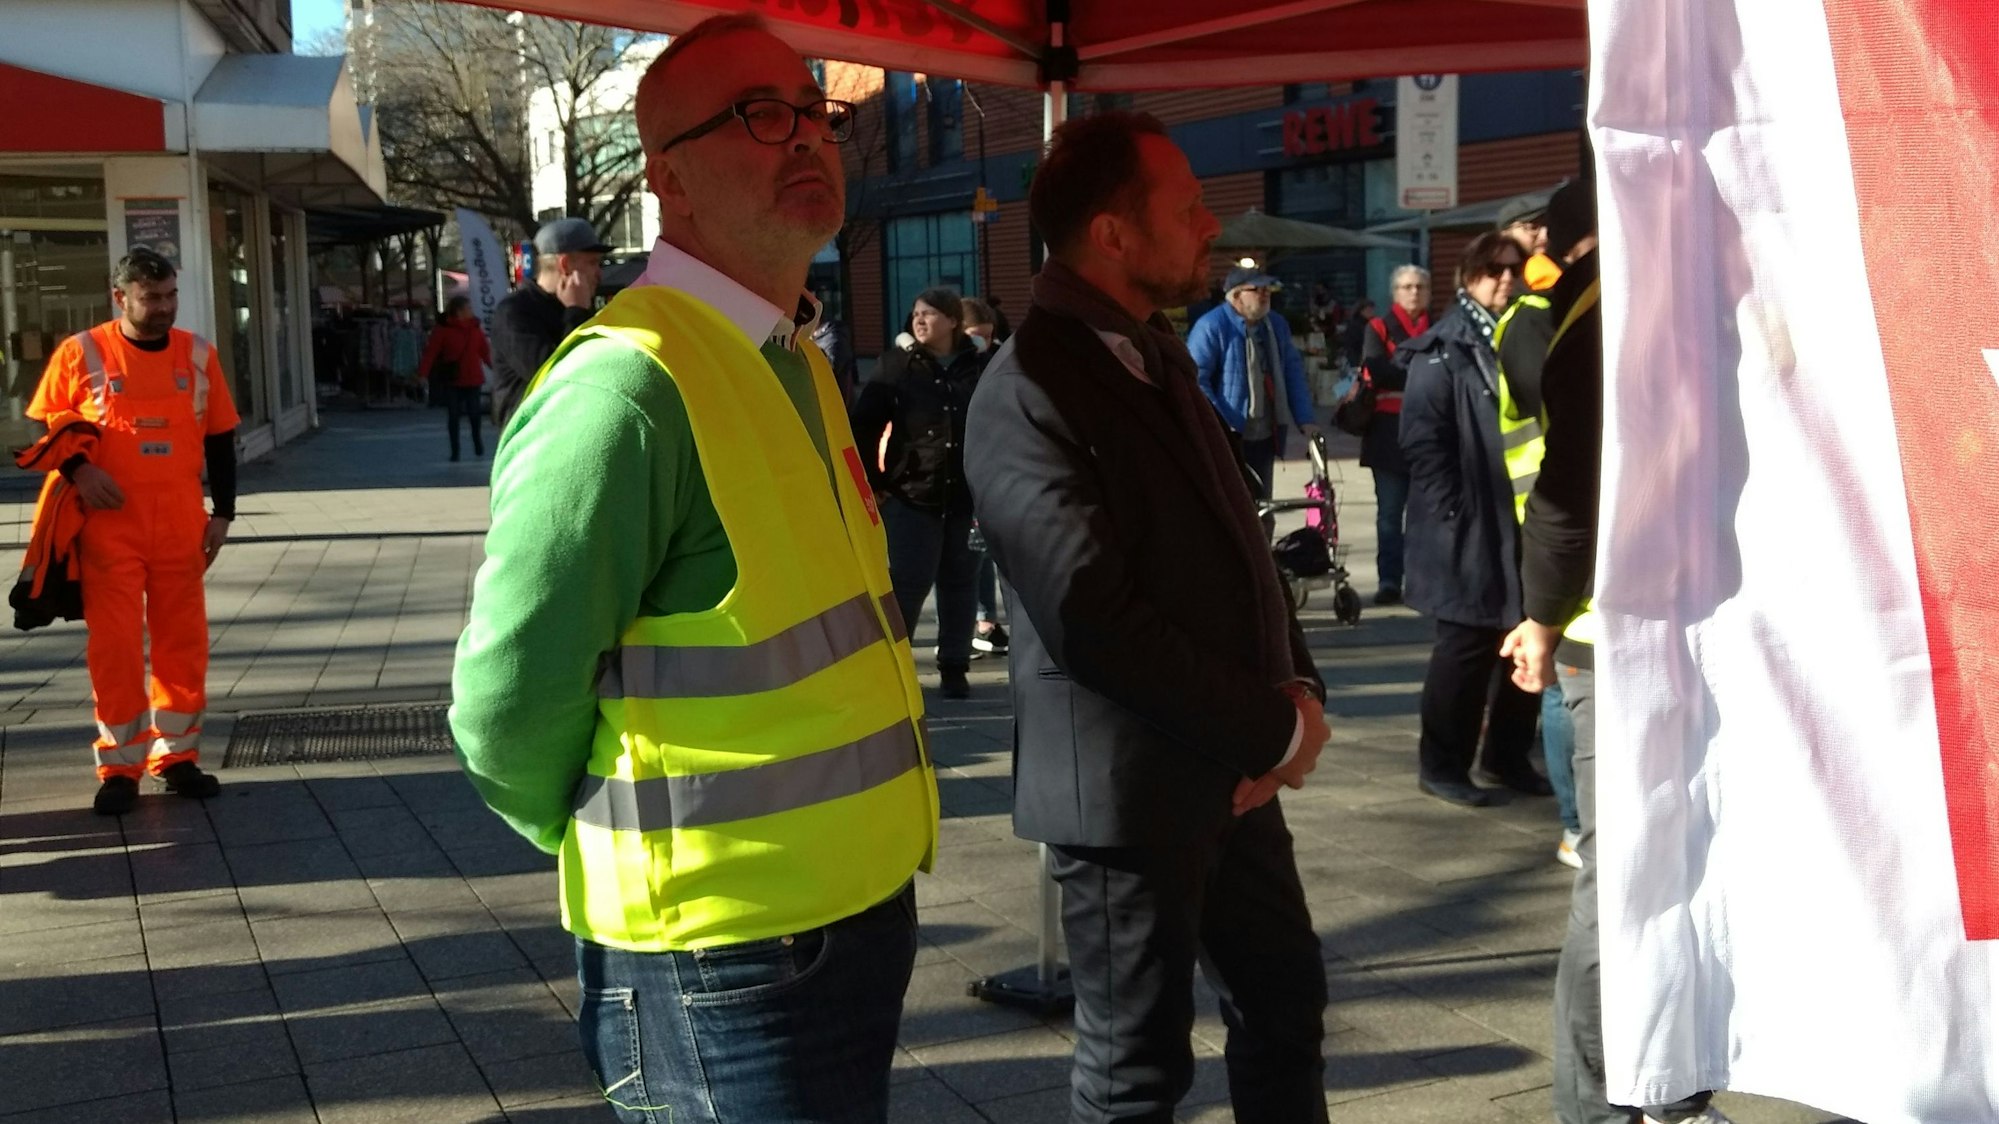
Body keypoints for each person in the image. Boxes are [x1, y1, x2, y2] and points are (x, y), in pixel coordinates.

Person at [449, 15, 938, 1123]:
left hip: (846, 913)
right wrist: (609, 832)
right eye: (764, 115)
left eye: (818, 114)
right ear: (666, 172)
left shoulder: (788, 357)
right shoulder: (623, 389)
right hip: (721, 954)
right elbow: (505, 704)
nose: (807, 137)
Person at [965, 110, 1332, 1124]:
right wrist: (1273, 726)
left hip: (1233, 777)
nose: (1210, 224)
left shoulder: (1153, 350)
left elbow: (1235, 544)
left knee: (1287, 1008)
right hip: (1127, 800)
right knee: (1136, 1074)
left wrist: (1295, 687)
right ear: (1112, 234)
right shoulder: (1029, 386)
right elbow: (1093, 619)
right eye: (1186, 207)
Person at [1499, 182, 1731, 1124]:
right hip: (1610, 633)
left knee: (1675, 868)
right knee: (1622, 880)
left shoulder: (1619, 295)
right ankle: (1597, 1107)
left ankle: (1667, 1094)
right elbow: (1566, 481)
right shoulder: (1589, 311)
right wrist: (1544, 618)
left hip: (1645, 619)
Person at [28, 248, 238, 815]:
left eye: (171, 295)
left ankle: (177, 758)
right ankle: (119, 767)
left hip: (179, 525)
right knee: (115, 648)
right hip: (108, 530)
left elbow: (220, 436)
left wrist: (224, 513)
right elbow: (49, 426)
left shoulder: (198, 355)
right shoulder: (82, 352)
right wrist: (81, 469)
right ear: (120, 297)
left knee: (183, 644)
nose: (165, 307)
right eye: (152, 298)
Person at [1398, 232, 1550, 808]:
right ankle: (1442, 764)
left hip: (1518, 518)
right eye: (1493, 269)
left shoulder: (1522, 333)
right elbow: (1423, 441)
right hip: (1466, 524)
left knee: (1522, 638)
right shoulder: (1445, 346)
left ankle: (1506, 756)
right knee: (1463, 645)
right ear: (1468, 275)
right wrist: (1453, 513)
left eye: (1513, 269)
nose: (1505, 279)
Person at [850, 288, 986, 700]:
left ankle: (954, 667)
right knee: (907, 585)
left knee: (962, 584)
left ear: (952, 321)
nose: (919, 321)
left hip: (966, 498)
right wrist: (876, 482)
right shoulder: (897, 365)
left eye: (929, 314)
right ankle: (894, 668)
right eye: (915, 314)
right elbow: (863, 426)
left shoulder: (979, 366)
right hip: (912, 496)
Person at [1187, 266, 1321, 500]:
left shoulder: (1276, 325)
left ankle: (1262, 536)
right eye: (1257, 289)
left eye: (1268, 289)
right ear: (1236, 295)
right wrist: (1223, 422)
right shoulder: (1212, 326)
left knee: (1262, 503)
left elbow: (1292, 372)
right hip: (1228, 436)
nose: (1265, 294)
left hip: (1265, 433)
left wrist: (1306, 419)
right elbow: (1196, 380)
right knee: (1231, 503)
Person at [488, 217, 610, 427]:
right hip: (530, 443)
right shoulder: (515, 311)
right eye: (592, 263)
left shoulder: (581, 308)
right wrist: (576, 312)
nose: (599, 273)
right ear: (564, 264)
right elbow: (555, 376)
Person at [1359, 265, 1431, 603]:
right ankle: (1389, 580)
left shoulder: (1439, 325)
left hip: (1430, 430)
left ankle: (1422, 581)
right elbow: (1375, 368)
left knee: (1426, 513)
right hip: (1386, 433)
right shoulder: (1377, 326)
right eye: (1406, 286)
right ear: (1395, 293)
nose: (1413, 292)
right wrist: (1423, 369)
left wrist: (1401, 367)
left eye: (1419, 286)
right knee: (1389, 513)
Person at [958, 296, 1009, 657]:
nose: (984, 343)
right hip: (955, 471)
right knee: (966, 557)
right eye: (976, 336)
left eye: (988, 336)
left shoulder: (996, 360)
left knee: (983, 550)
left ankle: (985, 619)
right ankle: (977, 621)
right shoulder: (948, 367)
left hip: (991, 466)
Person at [416, 296, 493, 461]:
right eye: (468, 308)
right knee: (453, 416)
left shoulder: (475, 329)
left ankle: (477, 441)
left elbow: (484, 352)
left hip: (473, 378)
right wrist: (422, 374)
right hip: (453, 379)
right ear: (459, 311)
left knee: (474, 414)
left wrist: (496, 368)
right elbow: (431, 353)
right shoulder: (443, 330)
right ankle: (455, 450)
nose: (471, 311)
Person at [1499, 196, 1561, 292]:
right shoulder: (1491, 273)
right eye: (1533, 227)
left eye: (1549, 225)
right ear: (1505, 233)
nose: (1544, 236)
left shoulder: (1566, 264)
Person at [1340, 297, 1376, 368]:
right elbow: (1353, 345)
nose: (1372, 312)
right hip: (1358, 359)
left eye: (1372, 310)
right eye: (1369, 310)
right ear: (1361, 311)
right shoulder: (1356, 325)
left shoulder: (1371, 323)